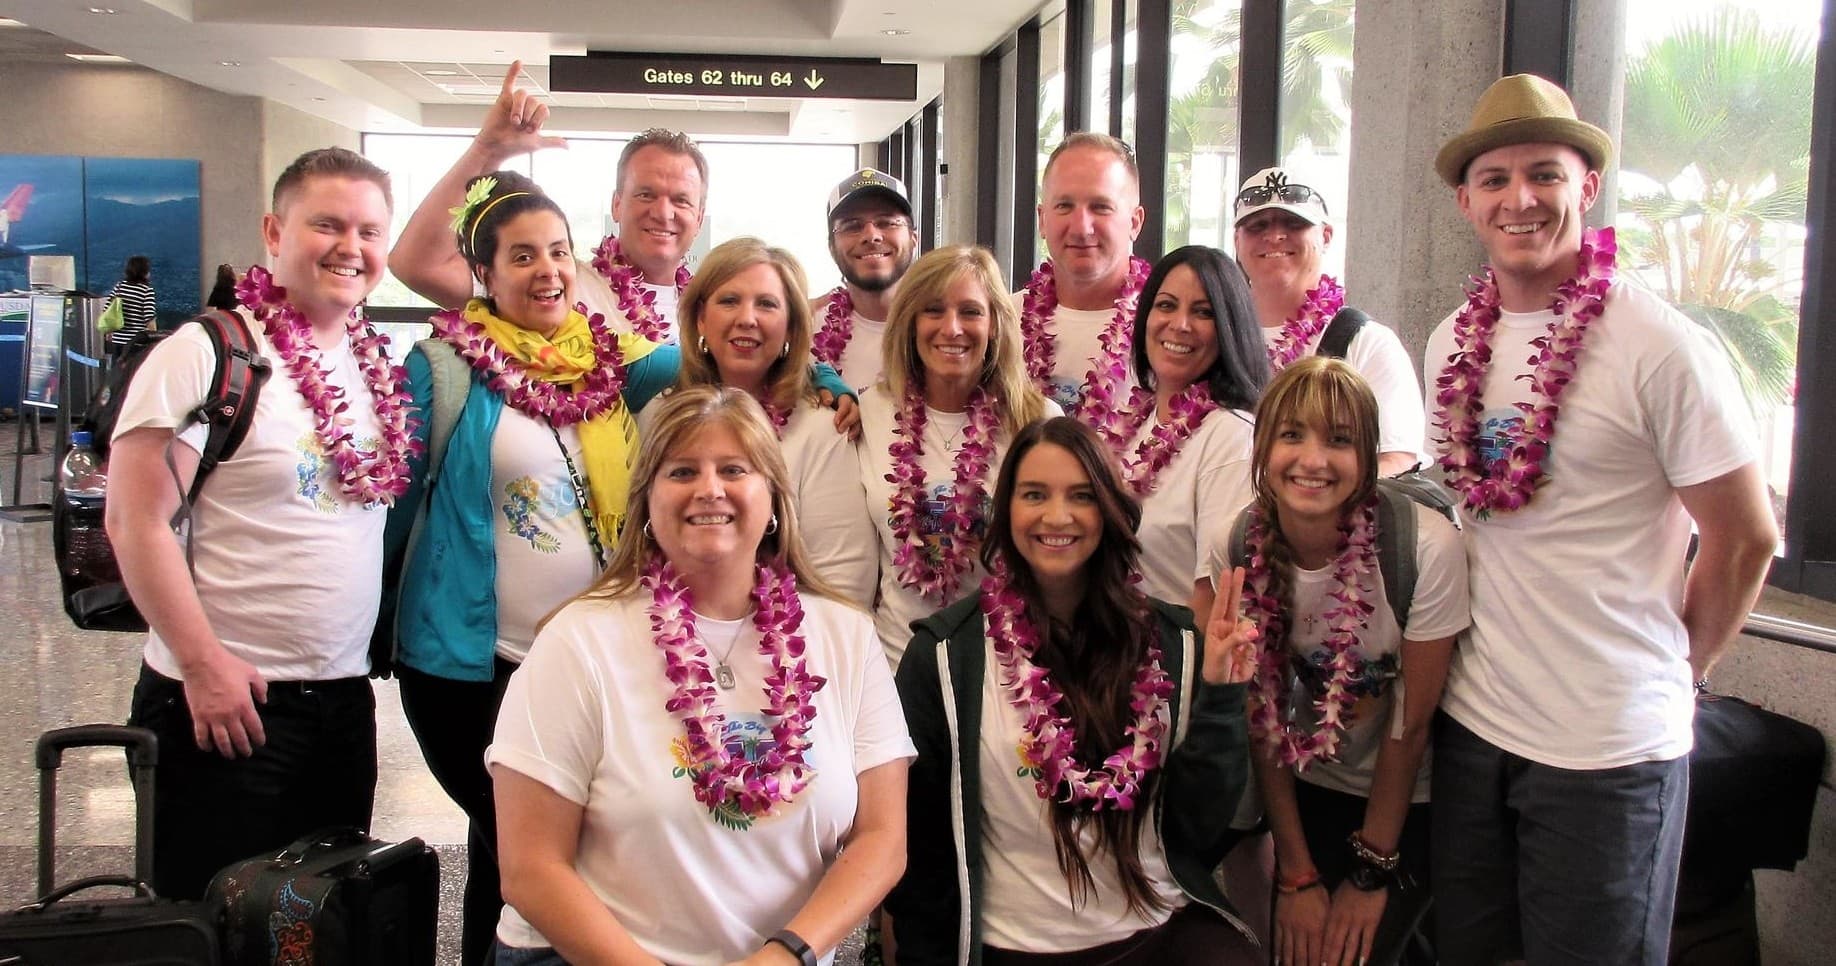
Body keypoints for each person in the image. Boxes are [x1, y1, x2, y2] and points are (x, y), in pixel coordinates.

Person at [1423, 74, 1777, 964]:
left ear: (1586, 186)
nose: (1521, 199)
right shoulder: (1448, 344)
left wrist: (1670, 671)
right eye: (1496, 180)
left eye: (1545, 173)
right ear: (1467, 202)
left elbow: (1747, 537)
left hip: (1609, 753)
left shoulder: (1659, 345)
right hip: (1475, 728)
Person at [487, 385, 914, 965]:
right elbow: (531, 869)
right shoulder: (578, 640)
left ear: (773, 499)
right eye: (682, 470)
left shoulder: (844, 635)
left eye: (734, 469)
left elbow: (882, 841)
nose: (709, 488)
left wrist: (787, 955)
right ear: (647, 501)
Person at [382, 170, 681, 966]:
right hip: (466, 665)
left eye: (558, 252)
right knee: (523, 837)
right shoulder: (444, 370)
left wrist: (821, 376)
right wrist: (366, 630)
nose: (547, 270)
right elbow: (393, 509)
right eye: (521, 256)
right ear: (481, 273)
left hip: (585, 664)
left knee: (513, 847)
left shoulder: (615, 362)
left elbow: (723, 354)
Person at [106, 147, 414, 899]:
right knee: (212, 921)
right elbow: (134, 521)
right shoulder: (206, 354)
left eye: (370, 232)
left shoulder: (375, 364)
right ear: (274, 232)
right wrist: (203, 665)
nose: (352, 248)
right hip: (226, 700)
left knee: (315, 926)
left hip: (341, 700)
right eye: (328, 225)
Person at [888, 416, 1261, 966]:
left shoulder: (1175, 643)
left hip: (1156, 930)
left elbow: (1196, 828)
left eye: (1081, 496)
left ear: (1108, 511)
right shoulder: (944, 658)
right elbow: (921, 858)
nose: (1056, 516)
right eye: (1034, 494)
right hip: (1010, 946)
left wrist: (1223, 699)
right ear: (1005, 510)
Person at [1205, 357, 1468, 966]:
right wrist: (1295, 874)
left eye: (1340, 440)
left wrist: (1370, 875)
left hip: (1413, 798)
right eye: (1292, 435)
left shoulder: (1423, 548)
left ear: (1369, 457)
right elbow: (1263, 723)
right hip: (1310, 783)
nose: (1313, 460)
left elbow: (1411, 728)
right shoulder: (1239, 545)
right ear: (1263, 448)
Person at [390, 62, 705, 343]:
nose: (663, 213)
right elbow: (416, 265)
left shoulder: (714, 307)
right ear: (617, 205)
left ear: (700, 218)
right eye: (646, 194)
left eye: (681, 200)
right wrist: (487, 150)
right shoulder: (558, 285)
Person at [858, 245, 1055, 665]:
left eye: (970, 312)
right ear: (910, 322)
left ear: (995, 325)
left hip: (1002, 667)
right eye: (933, 310)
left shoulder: (1038, 422)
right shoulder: (869, 411)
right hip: (894, 663)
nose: (952, 328)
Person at [662, 237, 876, 607]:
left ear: (791, 327)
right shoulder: (659, 416)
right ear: (700, 318)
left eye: (767, 304)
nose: (747, 318)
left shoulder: (824, 429)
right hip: (670, 644)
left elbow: (843, 582)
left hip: (791, 652)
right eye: (729, 301)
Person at [1232, 167, 1423, 476]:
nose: (1275, 236)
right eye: (1257, 226)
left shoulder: (1367, 343)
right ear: (1237, 241)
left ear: (1326, 236)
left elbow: (1396, 459)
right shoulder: (1214, 337)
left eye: (1294, 224)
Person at [1102, 244, 1266, 604]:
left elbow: (1219, 597)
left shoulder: (1232, 436)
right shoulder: (1132, 425)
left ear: (1229, 329)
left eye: (1203, 312)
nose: (1180, 325)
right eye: (1166, 305)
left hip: (1179, 654)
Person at [1016, 132, 1151, 418]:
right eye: (1064, 206)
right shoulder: (1000, 323)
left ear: (1135, 222)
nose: (1081, 227)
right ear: (1042, 219)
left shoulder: (1166, 329)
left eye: (1101, 207)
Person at [810, 167, 919, 390]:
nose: (871, 236)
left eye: (887, 222)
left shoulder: (946, 330)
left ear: (913, 239)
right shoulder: (804, 331)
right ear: (832, 247)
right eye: (852, 225)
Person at [107, 254, 156, 351]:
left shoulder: (119, 286)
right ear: (144, 272)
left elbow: (108, 309)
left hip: (118, 340)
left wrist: (109, 331)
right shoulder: (146, 290)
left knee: (118, 365)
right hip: (136, 343)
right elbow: (149, 318)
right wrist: (154, 338)